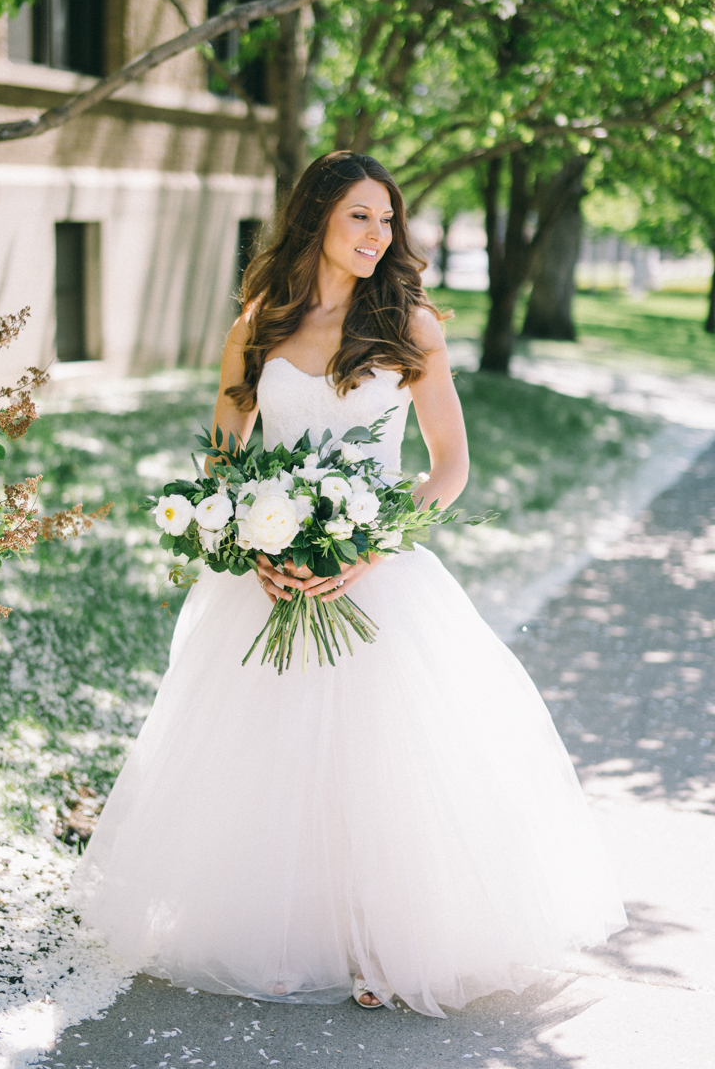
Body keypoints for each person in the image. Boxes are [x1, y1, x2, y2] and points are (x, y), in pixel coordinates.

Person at [69, 151, 626, 1018]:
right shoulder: (261, 322)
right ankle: (288, 939)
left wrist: (375, 542)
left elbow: (449, 468)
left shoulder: (412, 326)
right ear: (319, 217)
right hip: (270, 583)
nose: (378, 234)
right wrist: (250, 534)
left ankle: (384, 945)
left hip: (381, 578)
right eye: (360, 216)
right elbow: (222, 455)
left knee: (385, 765)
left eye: (387, 219)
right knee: (274, 762)